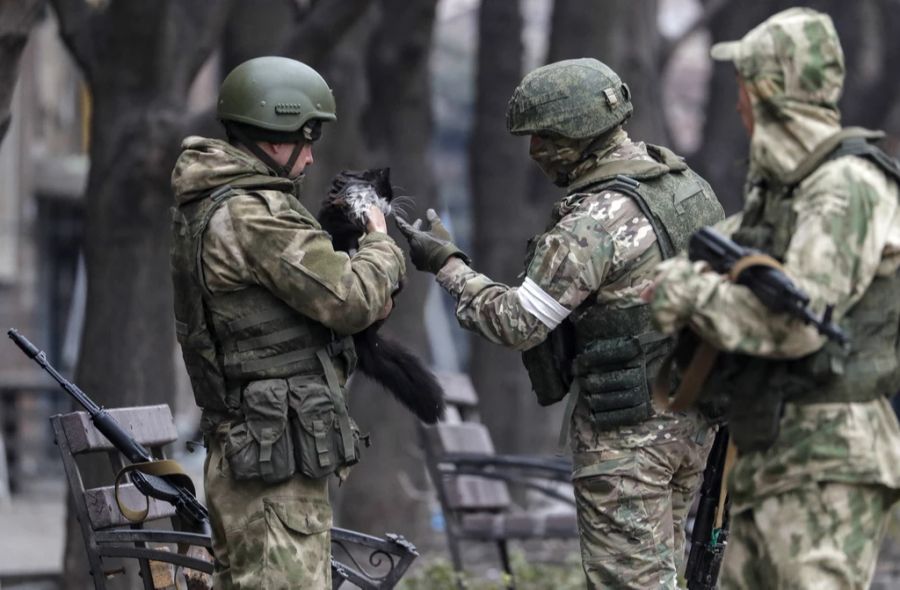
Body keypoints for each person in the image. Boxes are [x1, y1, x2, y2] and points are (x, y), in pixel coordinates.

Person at [397, 58, 725, 588]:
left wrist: (449, 266)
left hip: (627, 437)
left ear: (577, 133)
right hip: (691, 421)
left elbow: (517, 322)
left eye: (543, 138)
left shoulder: (593, 220)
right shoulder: (686, 188)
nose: (535, 153)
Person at [647, 8, 900, 589]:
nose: (738, 104)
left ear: (767, 91)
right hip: (769, 448)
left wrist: (691, 294)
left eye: (744, 86)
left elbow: (799, 325)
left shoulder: (845, 186)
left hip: (828, 459)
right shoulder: (784, 188)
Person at [169, 56, 405, 589]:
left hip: (260, 451)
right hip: (271, 465)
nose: (311, 155)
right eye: (308, 138)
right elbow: (351, 299)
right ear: (277, 139)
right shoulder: (253, 214)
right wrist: (379, 239)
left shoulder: (218, 203)